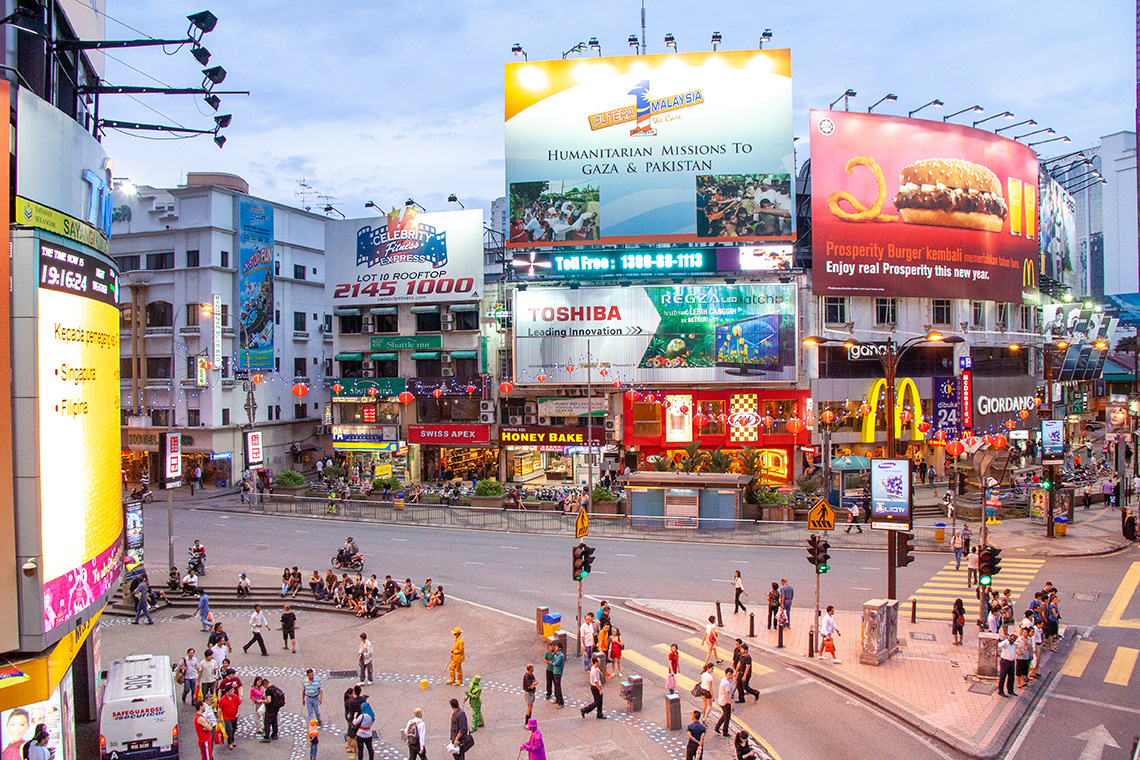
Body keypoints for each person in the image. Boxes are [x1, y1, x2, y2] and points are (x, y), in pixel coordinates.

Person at [714, 667, 735, 737]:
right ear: (726, 674)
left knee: (725, 715)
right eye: (729, 675)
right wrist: (731, 704)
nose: (731, 676)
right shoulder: (727, 683)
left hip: (721, 700)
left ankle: (717, 727)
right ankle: (725, 732)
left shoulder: (724, 680)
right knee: (727, 717)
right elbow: (727, 694)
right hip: (725, 702)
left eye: (731, 675)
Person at [218, 684, 241, 750]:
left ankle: (231, 740)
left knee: (234, 728)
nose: (233, 691)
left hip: (234, 716)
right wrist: (219, 717)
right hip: (226, 717)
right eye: (231, 691)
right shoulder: (222, 699)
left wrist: (238, 713)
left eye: (233, 690)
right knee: (229, 729)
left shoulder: (235, 697)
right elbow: (220, 709)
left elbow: (238, 705)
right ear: (227, 692)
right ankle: (230, 743)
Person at [997, 632, 1018, 697]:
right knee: (1003, 676)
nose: (1012, 641)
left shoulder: (1015, 644)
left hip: (1012, 662)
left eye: (1013, 640)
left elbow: (1021, 644)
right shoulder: (1006, 644)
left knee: (1011, 676)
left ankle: (1010, 690)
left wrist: (1017, 638)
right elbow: (999, 645)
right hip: (1005, 661)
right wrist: (1007, 640)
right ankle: (1000, 691)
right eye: (1011, 639)